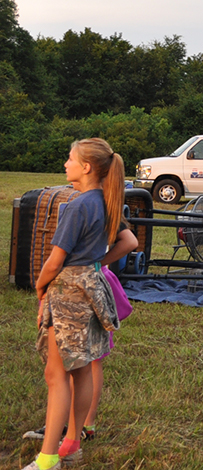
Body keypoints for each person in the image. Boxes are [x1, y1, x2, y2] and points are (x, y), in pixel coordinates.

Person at [25, 139, 124, 470]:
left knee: (56, 375)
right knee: (81, 371)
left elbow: (55, 261)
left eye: (70, 159)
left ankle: (48, 458)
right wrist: (96, 262)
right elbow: (128, 240)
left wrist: (39, 287)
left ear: (86, 167)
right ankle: (72, 445)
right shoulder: (108, 202)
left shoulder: (76, 206)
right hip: (91, 290)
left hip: (67, 293)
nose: (65, 163)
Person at [23, 221, 137, 445]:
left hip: (84, 286)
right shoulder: (98, 203)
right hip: (86, 283)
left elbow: (130, 241)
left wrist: (97, 263)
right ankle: (74, 425)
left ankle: (82, 426)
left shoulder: (94, 203)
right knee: (82, 362)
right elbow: (129, 241)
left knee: (88, 362)